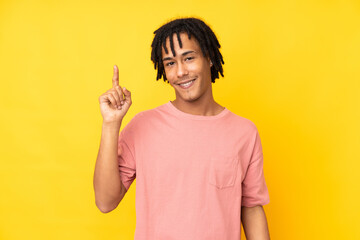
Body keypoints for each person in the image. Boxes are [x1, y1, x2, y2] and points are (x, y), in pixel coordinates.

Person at [94, 17, 270, 240]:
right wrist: (111, 124)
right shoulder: (143, 126)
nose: (180, 72)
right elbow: (105, 201)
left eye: (188, 58)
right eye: (170, 63)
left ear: (210, 58)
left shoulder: (244, 132)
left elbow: (252, 207)